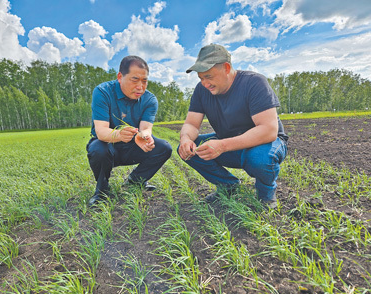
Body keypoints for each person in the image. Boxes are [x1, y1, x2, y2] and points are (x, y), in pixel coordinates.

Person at [178, 44, 288, 208]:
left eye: (209, 76)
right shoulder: (201, 91)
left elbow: (268, 131)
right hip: (229, 141)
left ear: (227, 68)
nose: (205, 83)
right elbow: (191, 124)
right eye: (201, 78)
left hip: (265, 143)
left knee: (259, 159)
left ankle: (266, 195)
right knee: (189, 150)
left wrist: (222, 145)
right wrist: (186, 139)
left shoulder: (254, 83)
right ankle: (228, 185)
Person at [86, 55, 172, 207]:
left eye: (144, 80)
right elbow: (101, 131)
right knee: (98, 149)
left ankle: (135, 181)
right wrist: (119, 134)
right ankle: (102, 190)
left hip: (133, 145)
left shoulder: (149, 100)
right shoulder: (103, 92)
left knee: (164, 148)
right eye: (135, 79)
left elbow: (146, 128)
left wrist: (144, 136)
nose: (140, 86)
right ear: (120, 77)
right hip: (108, 145)